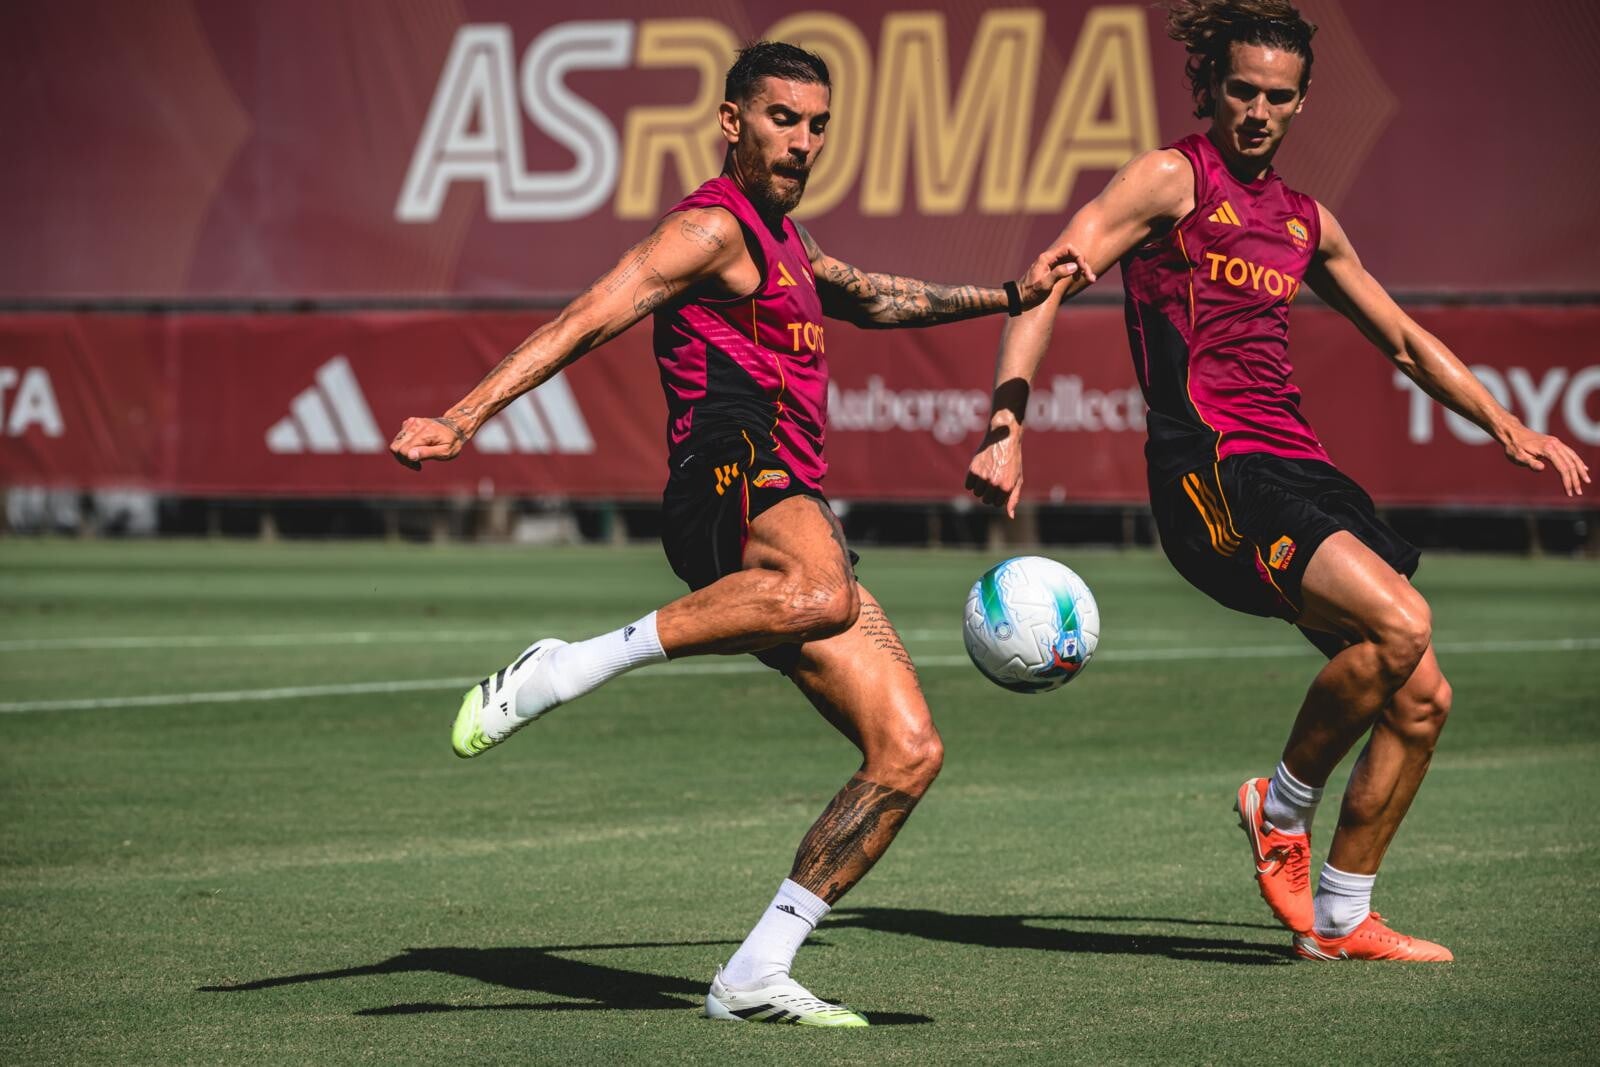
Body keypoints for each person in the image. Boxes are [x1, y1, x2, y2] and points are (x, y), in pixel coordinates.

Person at [388, 42, 1090, 1023]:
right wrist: (463, 417)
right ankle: (571, 664)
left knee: (908, 748)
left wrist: (1013, 294)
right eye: (782, 119)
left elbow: (875, 296)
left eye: (817, 125)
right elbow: (589, 316)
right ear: (732, 122)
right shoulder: (709, 227)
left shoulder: (788, 241)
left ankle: (756, 970)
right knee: (825, 587)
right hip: (724, 472)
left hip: (786, 505)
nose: (802, 141)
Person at [965, 0, 1588, 962]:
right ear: (1209, 88)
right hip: (1214, 472)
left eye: (1278, 97)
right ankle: (1281, 806)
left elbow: (1404, 339)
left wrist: (1506, 423)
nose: (1257, 111)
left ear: (1302, 104)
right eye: (1242, 91)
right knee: (1402, 625)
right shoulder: (1170, 179)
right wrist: (1007, 425)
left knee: (1423, 698)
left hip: (1301, 466)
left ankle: (1340, 918)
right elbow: (1048, 281)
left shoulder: (1306, 222)